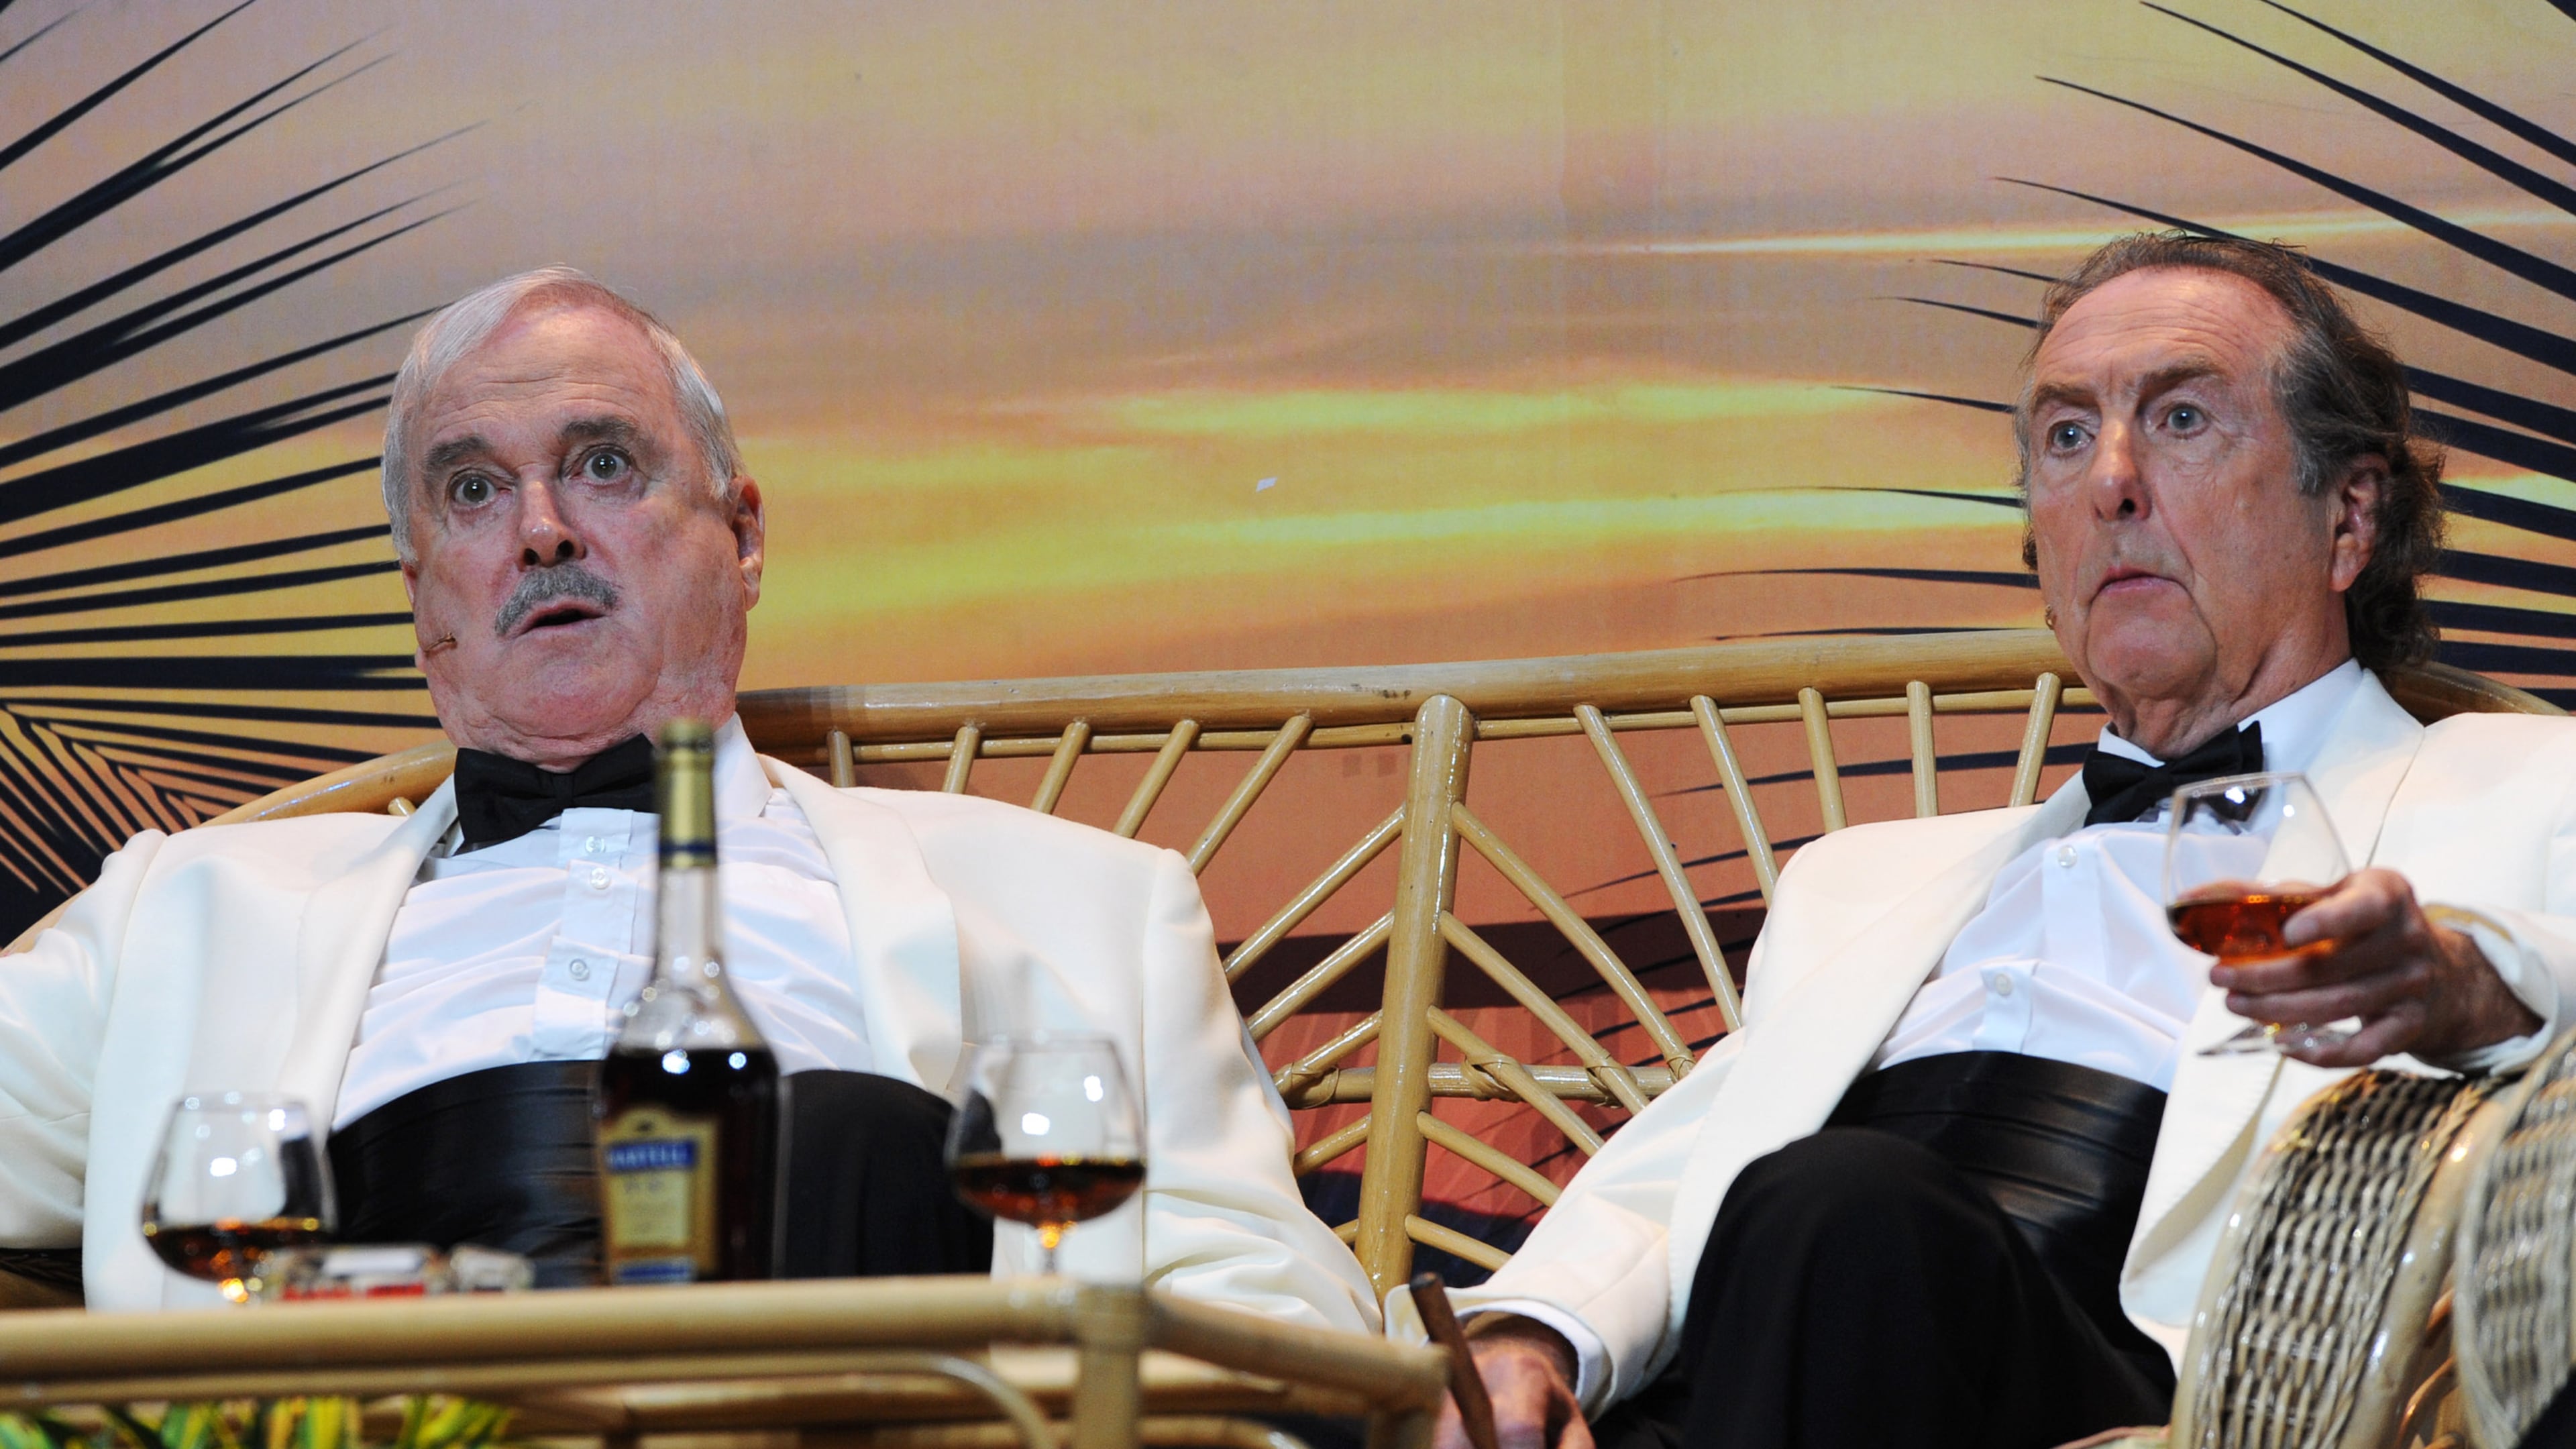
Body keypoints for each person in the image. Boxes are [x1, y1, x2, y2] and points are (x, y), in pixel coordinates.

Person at [0, 268, 1378, 1329]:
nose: (541, 529)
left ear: (745, 535)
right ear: (425, 602)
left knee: (848, 1136)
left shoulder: (1084, 905)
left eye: (604, 463)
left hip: (856, 1373)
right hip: (365, 1381)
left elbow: (1263, 1296)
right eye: (473, 489)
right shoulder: (184, 909)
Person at [1403, 232, 2576, 1449]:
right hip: (1772, 1355)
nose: (2110, 481)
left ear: (2348, 515)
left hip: (2121, 1391)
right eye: (2066, 437)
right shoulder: (1865, 880)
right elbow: (1698, 1162)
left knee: (1844, 1208)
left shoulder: (2529, 785)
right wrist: (1529, 1337)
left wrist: (2471, 987)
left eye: (2180, 420)